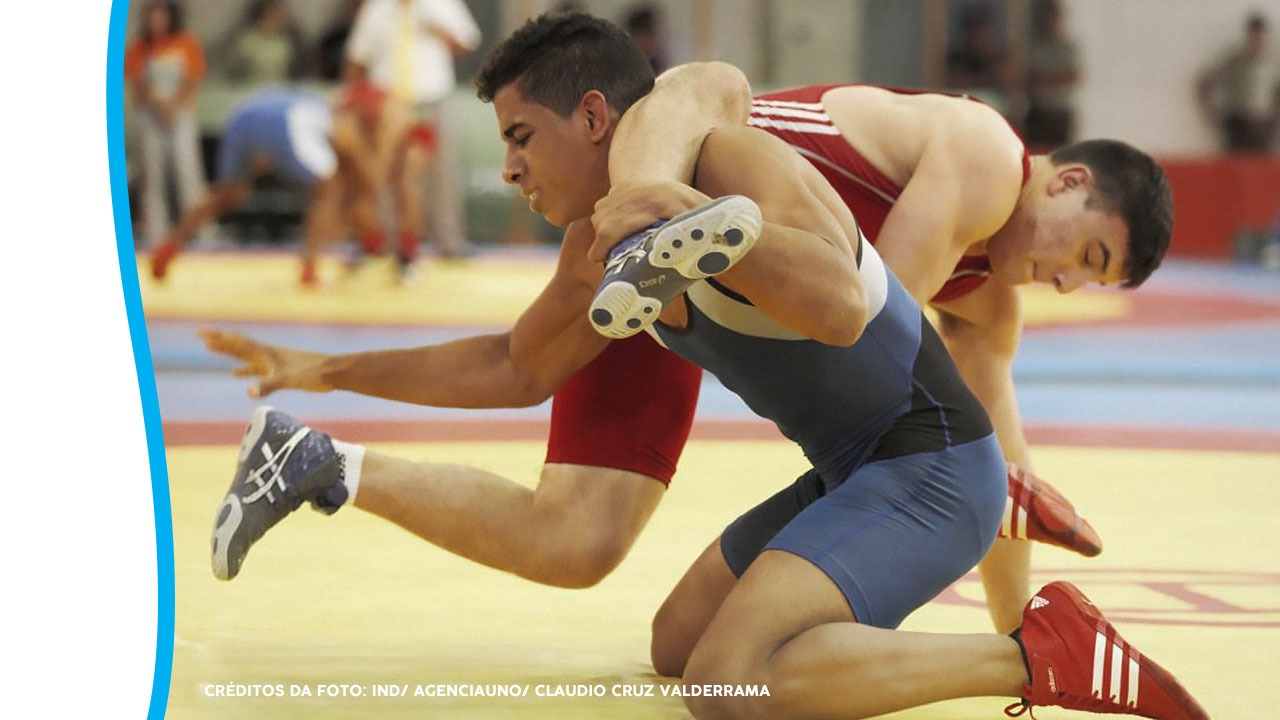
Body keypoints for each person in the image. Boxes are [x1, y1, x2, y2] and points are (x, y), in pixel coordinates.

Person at [205, 13, 1204, 720]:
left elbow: (714, 88)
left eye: (519, 140)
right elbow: (512, 368)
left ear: (592, 116)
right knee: (677, 647)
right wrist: (322, 368)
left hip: (902, 418)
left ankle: (1034, 659)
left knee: (732, 680)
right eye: (1086, 255)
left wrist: (1017, 614)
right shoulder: (601, 233)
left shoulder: (726, 136)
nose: (506, 168)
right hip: (856, 450)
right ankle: (685, 241)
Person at [592, 61, 1171, 638]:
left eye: (1087, 282)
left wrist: (1015, 628)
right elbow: (873, 317)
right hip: (680, 161)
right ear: (1069, 181)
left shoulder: (987, 308)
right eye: (1088, 257)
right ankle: (642, 230)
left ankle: (644, 239)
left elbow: (1005, 463)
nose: (1067, 283)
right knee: (715, 85)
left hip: (671, 285)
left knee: (571, 540)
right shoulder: (990, 155)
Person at [149, 84, 404, 286]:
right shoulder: (347, 122)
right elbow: (366, 185)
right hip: (286, 121)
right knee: (331, 189)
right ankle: (310, 269)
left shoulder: (327, 107)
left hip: (245, 114)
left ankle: (170, 244)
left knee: (227, 194)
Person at [344, 0, 483, 273]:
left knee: (440, 173)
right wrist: (353, 99)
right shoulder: (377, 7)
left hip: (431, 96)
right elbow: (357, 56)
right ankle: (380, 241)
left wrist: (441, 31)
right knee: (381, 172)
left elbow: (467, 43)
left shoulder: (443, 4)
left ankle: (449, 241)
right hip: (388, 100)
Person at [124, 0, 208, 248]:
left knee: (187, 171)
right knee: (153, 174)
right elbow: (137, 82)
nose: (156, 22)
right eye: (152, 17)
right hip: (150, 116)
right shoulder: (141, 47)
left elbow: (192, 79)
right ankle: (155, 231)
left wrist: (173, 104)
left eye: (161, 17)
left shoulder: (186, 42)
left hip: (180, 113)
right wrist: (158, 103)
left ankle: (196, 229)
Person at [1196, 11, 1280, 154]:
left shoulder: (1273, 64)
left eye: (1261, 37)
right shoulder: (1234, 62)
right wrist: (1210, 113)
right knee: (1234, 167)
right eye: (1254, 36)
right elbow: (1205, 83)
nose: (1258, 41)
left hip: (1264, 124)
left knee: (1261, 168)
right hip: (1238, 123)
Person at [1023, 0, 1081, 149]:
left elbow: (1072, 77)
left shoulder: (1068, 48)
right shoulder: (1034, 47)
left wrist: (1045, 78)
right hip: (1039, 111)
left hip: (1060, 111)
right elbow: (1028, 78)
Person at [219, 0, 306, 89]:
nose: (287, 19)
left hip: (280, 92)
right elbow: (232, 73)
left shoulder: (288, 40)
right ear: (267, 15)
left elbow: (298, 71)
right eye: (280, 15)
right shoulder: (247, 41)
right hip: (250, 91)